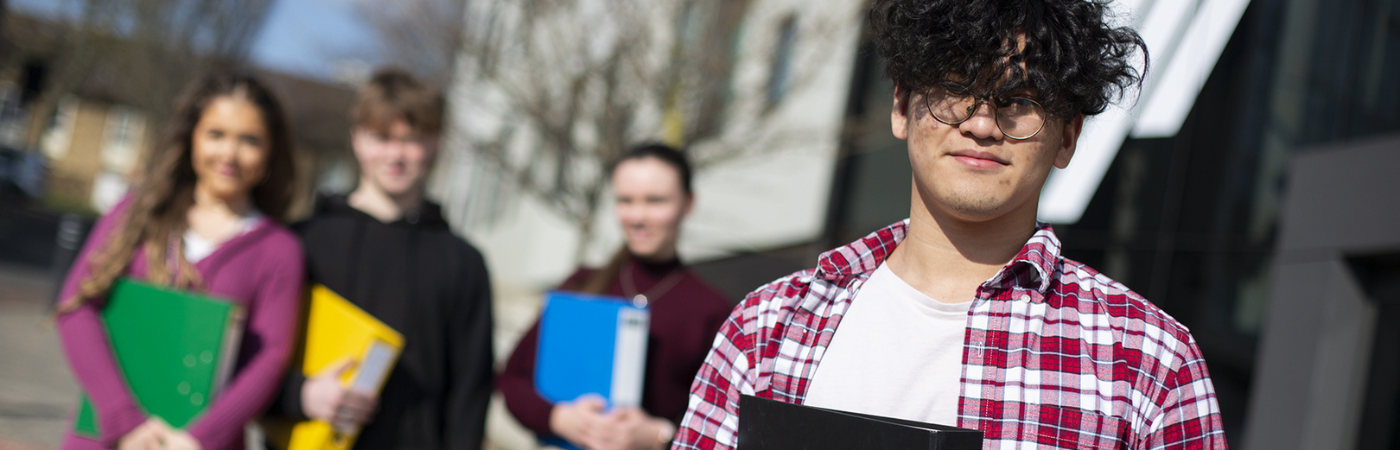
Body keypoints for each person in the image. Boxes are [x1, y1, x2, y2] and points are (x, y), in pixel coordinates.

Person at [674, 0, 1228, 449]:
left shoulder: (1148, 358)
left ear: (1067, 137)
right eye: (958, 88)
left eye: (1020, 100)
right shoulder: (768, 327)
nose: (983, 123)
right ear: (900, 107)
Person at [56, 72, 304, 450]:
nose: (229, 155)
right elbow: (77, 308)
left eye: (249, 140)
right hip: (108, 438)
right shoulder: (136, 213)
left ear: (271, 152)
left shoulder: (279, 249)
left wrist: (197, 439)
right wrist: (125, 421)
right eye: (216, 134)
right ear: (192, 137)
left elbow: (269, 359)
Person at [265, 68, 494, 450]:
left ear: (436, 144)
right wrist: (299, 395)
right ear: (357, 139)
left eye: (412, 139)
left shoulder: (464, 263)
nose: (395, 154)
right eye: (381, 137)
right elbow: (257, 359)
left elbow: (471, 392)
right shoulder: (299, 241)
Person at [498, 144, 732, 450]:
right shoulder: (581, 283)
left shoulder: (712, 311)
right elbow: (511, 379)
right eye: (625, 200)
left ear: (688, 204)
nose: (637, 216)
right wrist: (558, 418)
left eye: (655, 201)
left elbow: (725, 424)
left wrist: (659, 436)